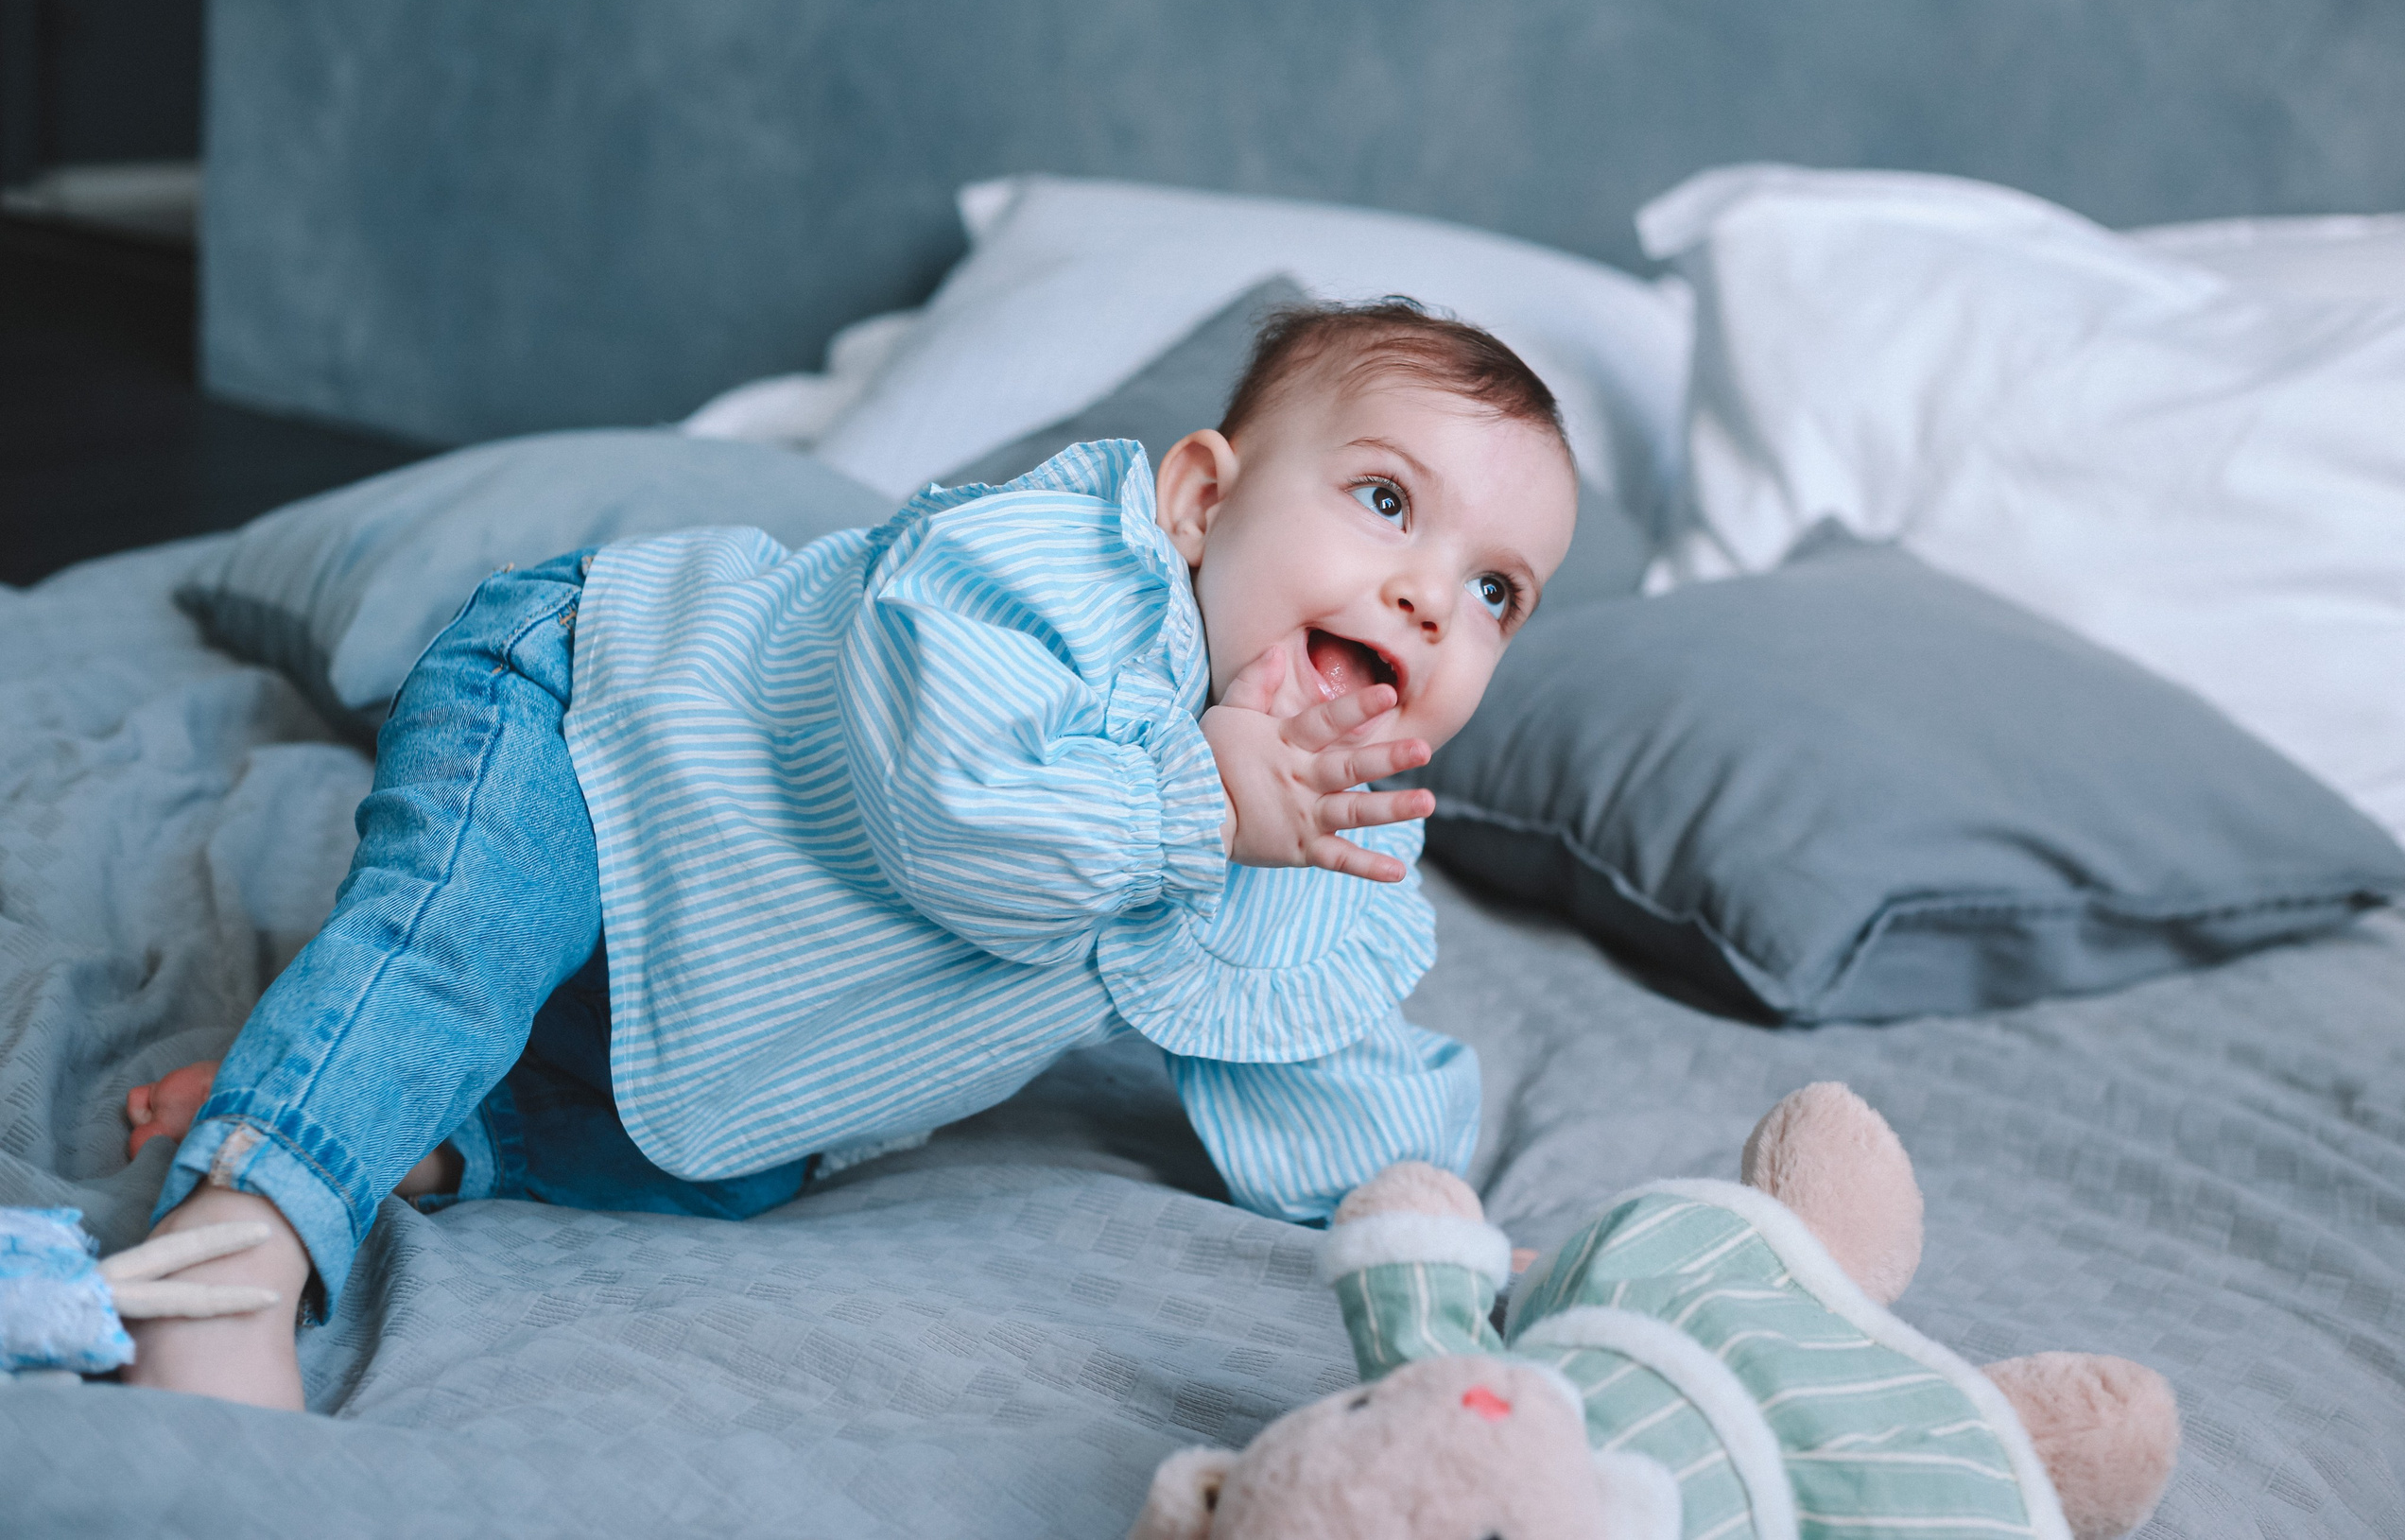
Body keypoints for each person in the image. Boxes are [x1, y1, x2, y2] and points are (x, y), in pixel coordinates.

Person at [118, 300, 1580, 1409]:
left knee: (734, 1160)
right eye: (1387, 501)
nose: (1431, 596)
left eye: (1497, 591)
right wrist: (1195, 802)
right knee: (460, 939)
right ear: (1202, 501)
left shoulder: (1296, 827)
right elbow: (958, 818)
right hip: (593, 720)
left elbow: (1313, 1047)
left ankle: (398, 1111)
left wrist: (1432, 1235)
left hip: (732, 982)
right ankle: (239, 1241)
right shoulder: (1043, 578)